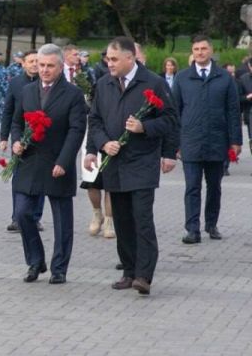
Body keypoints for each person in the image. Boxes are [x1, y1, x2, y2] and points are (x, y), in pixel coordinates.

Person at [85, 36, 179, 296]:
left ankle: (144, 276)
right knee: (122, 220)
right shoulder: (104, 84)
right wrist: (103, 144)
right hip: (114, 162)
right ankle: (128, 271)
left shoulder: (154, 83)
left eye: (114, 59)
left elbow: (171, 119)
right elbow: (94, 121)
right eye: (107, 58)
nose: (109, 63)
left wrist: (144, 127)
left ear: (130, 58)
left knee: (142, 219)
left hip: (142, 162)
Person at [10, 44, 88, 284]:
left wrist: (64, 161)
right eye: (41, 65)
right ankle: (35, 261)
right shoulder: (27, 91)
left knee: (62, 220)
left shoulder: (73, 94)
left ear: (61, 66)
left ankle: (59, 268)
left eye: (50, 66)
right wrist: (16, 143)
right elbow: (16, 122)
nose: (44, 70)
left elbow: (76, 130)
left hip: (57, 162)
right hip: (29, 161)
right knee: (22, 213)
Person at [173, 36, 241, 243]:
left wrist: (235, 141)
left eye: (204, 48)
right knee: (192, 187)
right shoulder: (183, 78)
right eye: (196, 49)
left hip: (217, 141)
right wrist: (174, 143)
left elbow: (233, 111)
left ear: (211, 51)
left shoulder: (224, 78)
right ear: (192, 52)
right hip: (191, 141)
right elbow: (174, 112)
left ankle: (211, 224)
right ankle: (192, 229)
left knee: (214, 187)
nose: (200, 52)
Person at [0, 50, 44, 233]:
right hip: (20, 137)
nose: (34, 64)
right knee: (18, 176)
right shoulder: (16, 83)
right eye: (31, 61)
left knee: (40, 179)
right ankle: (17, 217)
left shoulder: (46, 83)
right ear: (23, 64)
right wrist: (4, 137)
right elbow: (9, 110)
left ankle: (35, 217)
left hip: (41, 137)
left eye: (37, 61)